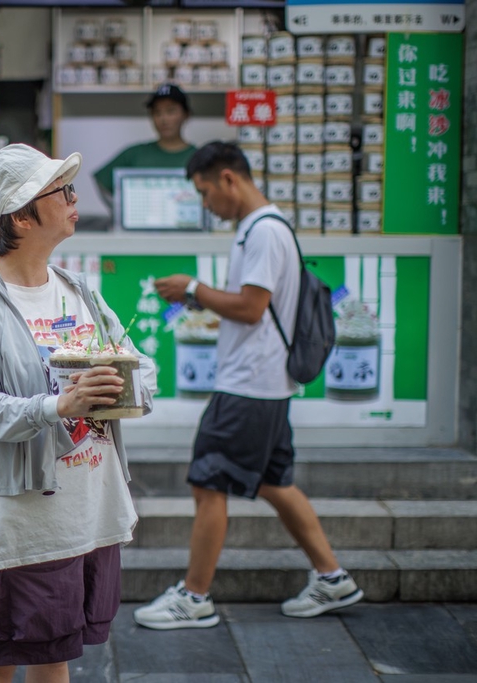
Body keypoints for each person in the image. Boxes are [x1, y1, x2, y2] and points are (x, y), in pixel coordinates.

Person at [0, 144, 157, 682]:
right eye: (60, 191)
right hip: (22, 519)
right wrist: (61, 404)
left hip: (87, 509)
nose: (73, 198)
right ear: (20, 215)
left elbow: (140, 367)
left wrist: (119, 387)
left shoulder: (76, 289)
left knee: (53, 659)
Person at [139, 141, 363, 630]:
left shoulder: (262, 231)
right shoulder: (262, 227)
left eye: (204, 192)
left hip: (249, 387)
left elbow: (252, 306)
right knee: (274, 482)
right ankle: (333, 577)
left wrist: (194, 289)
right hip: (267, 382)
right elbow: (250, 306)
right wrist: (204, 300)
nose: (206, 204)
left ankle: (194, 597)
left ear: (227, 179)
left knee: (207, 482)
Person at [93, 83, 196, 206]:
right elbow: (102, 181)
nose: (164, 119)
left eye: (171, 111)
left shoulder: (198, 158)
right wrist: (119, 212)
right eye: (157, 112)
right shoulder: (134, 154)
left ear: (186, 114)